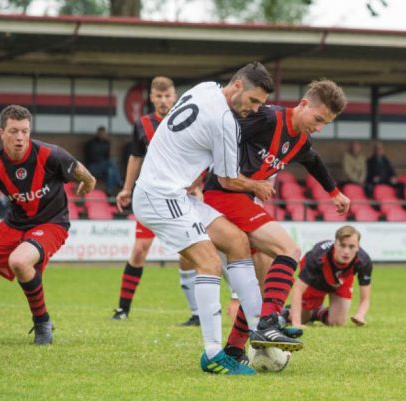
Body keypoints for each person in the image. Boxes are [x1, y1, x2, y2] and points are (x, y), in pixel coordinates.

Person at [132, 62, 289, 375]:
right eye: (254, 101)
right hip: (159, 195)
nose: (255, 109)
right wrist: (257, 184)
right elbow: (229, 180)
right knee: (209, 264)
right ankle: (214, 353)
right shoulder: (225, 121)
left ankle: (261, 326)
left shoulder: (203, 88)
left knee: (237, 241)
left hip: (177, 193)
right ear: (238, 87)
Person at [202, 79, 350, 359]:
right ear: (303, 104)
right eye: (318, 119)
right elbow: (221, 134)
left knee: (263, 282)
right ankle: (268, 324)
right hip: (222, 194)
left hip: (243, 201)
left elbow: (314, 161)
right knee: (289, 250)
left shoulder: (301, 140)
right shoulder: (267, 117)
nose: (318, 128)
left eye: (325, 125)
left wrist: (334, 193)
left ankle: (235, 350)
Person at [0, 105, 96, 345]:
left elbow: (87, 175)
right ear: (1, 133)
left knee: (19, 261)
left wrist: (88, 184)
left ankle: (42, 322)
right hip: (13, 225)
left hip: (51, 223)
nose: (20, 137)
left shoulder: (51, 154)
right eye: (13, 131)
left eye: (24, 131)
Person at [111, 76, 200, 326]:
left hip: (182, 197)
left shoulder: (187, 121)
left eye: (168, 96)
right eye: (158, 96)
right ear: (151, 98)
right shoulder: (142, 125)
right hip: (152, 197)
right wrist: (126, 188)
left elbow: (200, 155)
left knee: (189, 254)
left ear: (175, 97)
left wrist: (198, 185)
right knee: (139, 250)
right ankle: (122, 309)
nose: (163, 101)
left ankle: (197, 314)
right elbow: (136, 157)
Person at [287, 225, 372, 327]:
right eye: (342, 245)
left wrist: (360, 315)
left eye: (351, 247)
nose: (346, 251)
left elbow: (365, 298)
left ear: (358, 246)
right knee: (301, 318)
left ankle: (317, 312)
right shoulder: (317, 256)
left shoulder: (364, 261)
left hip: (342, 279)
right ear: (335, 243)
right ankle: (286, 313)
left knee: (337, 322)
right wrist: (296, 323)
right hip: (317, 278)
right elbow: (297, 290)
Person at [84, 126, 122, 196]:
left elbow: (107, 157)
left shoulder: (106, 143)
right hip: (93, 167)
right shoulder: (91, 143)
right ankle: (119, 182)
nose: (103, 135)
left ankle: (109, 192)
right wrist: (103, 162)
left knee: (110, 171)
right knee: (111, 162)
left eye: (104, 134)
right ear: (97, 133)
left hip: (103, 167)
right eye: (101, 134)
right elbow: (91, 158)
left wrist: (105, 162)